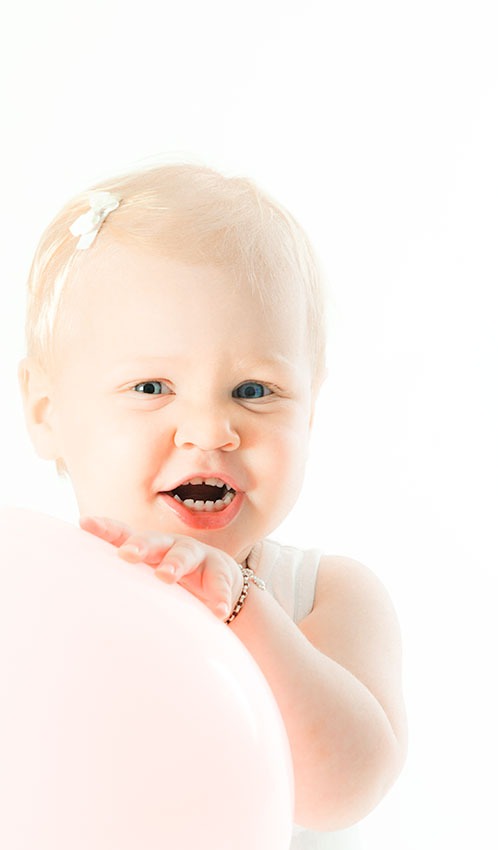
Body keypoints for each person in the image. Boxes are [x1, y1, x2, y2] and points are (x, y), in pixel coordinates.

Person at [18, 159, 407, 848]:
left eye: (254, 390)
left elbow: (342, 791)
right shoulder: (24, 594)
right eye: (151, 387)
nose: (210, 430)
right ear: (47, 411)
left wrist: (244, 607)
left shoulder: (323, 597)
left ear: (310, 412)